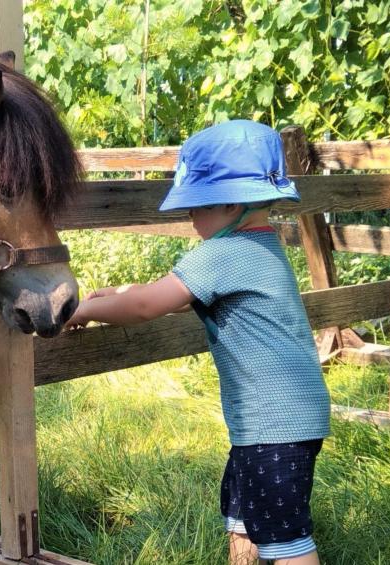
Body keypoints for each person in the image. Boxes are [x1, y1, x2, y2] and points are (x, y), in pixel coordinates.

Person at [66, 120, 330, 565]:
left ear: (230, 202)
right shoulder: (260, 245)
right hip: (282, 421)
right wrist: (117, 293)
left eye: (197, 205)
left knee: (286, 541)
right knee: (245, 517)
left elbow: (149, 305)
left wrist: (81, 309)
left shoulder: (224, 254)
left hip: (273, 426)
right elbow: (165, 293)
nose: (189, 216)